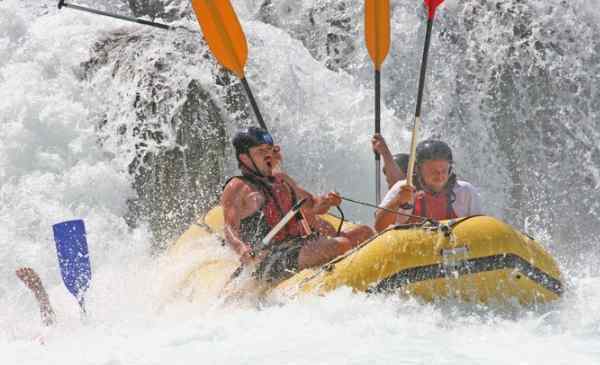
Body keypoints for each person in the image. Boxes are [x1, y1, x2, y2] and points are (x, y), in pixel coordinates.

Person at [221, 127, 374, 284]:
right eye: (260, 151)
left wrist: (328, 200)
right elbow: (229, 228)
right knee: (340, 245)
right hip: (270, 257)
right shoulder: (237, 187)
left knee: (365, 232)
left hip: (299, 244)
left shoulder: (282, 180)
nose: (268, 154)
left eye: (269, 149)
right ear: (245, 159)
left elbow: (314, 206)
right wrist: (242, 249)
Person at [374, 139, 482, 232]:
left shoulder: (465, 191)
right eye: (433, 170)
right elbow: (379, 227)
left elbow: (480, 229)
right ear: (418, 169)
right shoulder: (403, 188)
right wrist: (397, 201)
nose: (439, 175)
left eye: (444, 170)